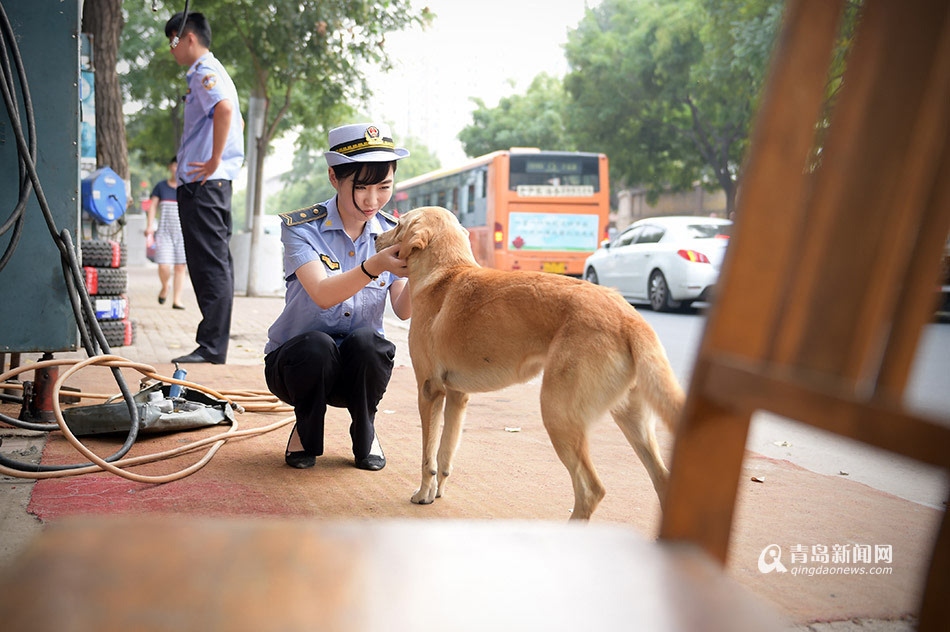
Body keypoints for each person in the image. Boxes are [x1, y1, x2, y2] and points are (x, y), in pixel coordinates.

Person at [263, 123, 412, 471]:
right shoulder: (301, 229)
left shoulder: (393, 233)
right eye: (360, 188)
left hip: (356, 372)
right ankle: (306, 430)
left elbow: (403, 311)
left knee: (368, 343)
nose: (372, 200)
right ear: (334, 177)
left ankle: (366, 430)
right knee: (316, 344)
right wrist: (373, 265)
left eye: (384, 187)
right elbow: (322, 294)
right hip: (296, 368)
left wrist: (424, 268)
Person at [164, 11, 245, 364]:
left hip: (205, 183)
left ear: (189, 37)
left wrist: (213, 161)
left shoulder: (205, 73)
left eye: (173, 41)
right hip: (209, 184)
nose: (172, 50)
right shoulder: (213, 70)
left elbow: (225, 110)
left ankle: (212, 347)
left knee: (209, 265)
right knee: (212, 262)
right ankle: (211, 344)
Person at [145, 157, 187, 310]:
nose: (177, 168)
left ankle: (177, 299)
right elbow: (153, 206)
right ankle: (165, 287)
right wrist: (149, 225)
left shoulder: (186, 187)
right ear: (170, 167)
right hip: (164, 233)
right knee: (163, 265)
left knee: (180, 267)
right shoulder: (161, 187)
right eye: (175, 165)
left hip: (183, 233)